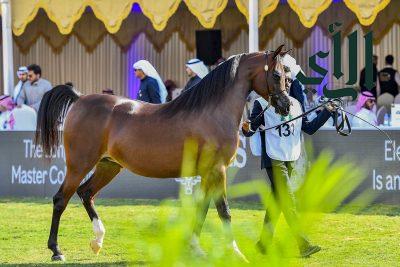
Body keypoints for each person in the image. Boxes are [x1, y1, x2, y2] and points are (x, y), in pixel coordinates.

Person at [242, 79, 334, 257]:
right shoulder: (261, 103)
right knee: (287, 198)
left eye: (290, 80)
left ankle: (263, 243)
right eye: (285, 80)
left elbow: (308, 128)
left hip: (289, 157)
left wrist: (327, 112)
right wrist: (246, 128)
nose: (287, 83)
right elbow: (251, 128)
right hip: (273, 157)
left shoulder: (296, 104)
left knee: (277, 201)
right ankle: (303, 243)